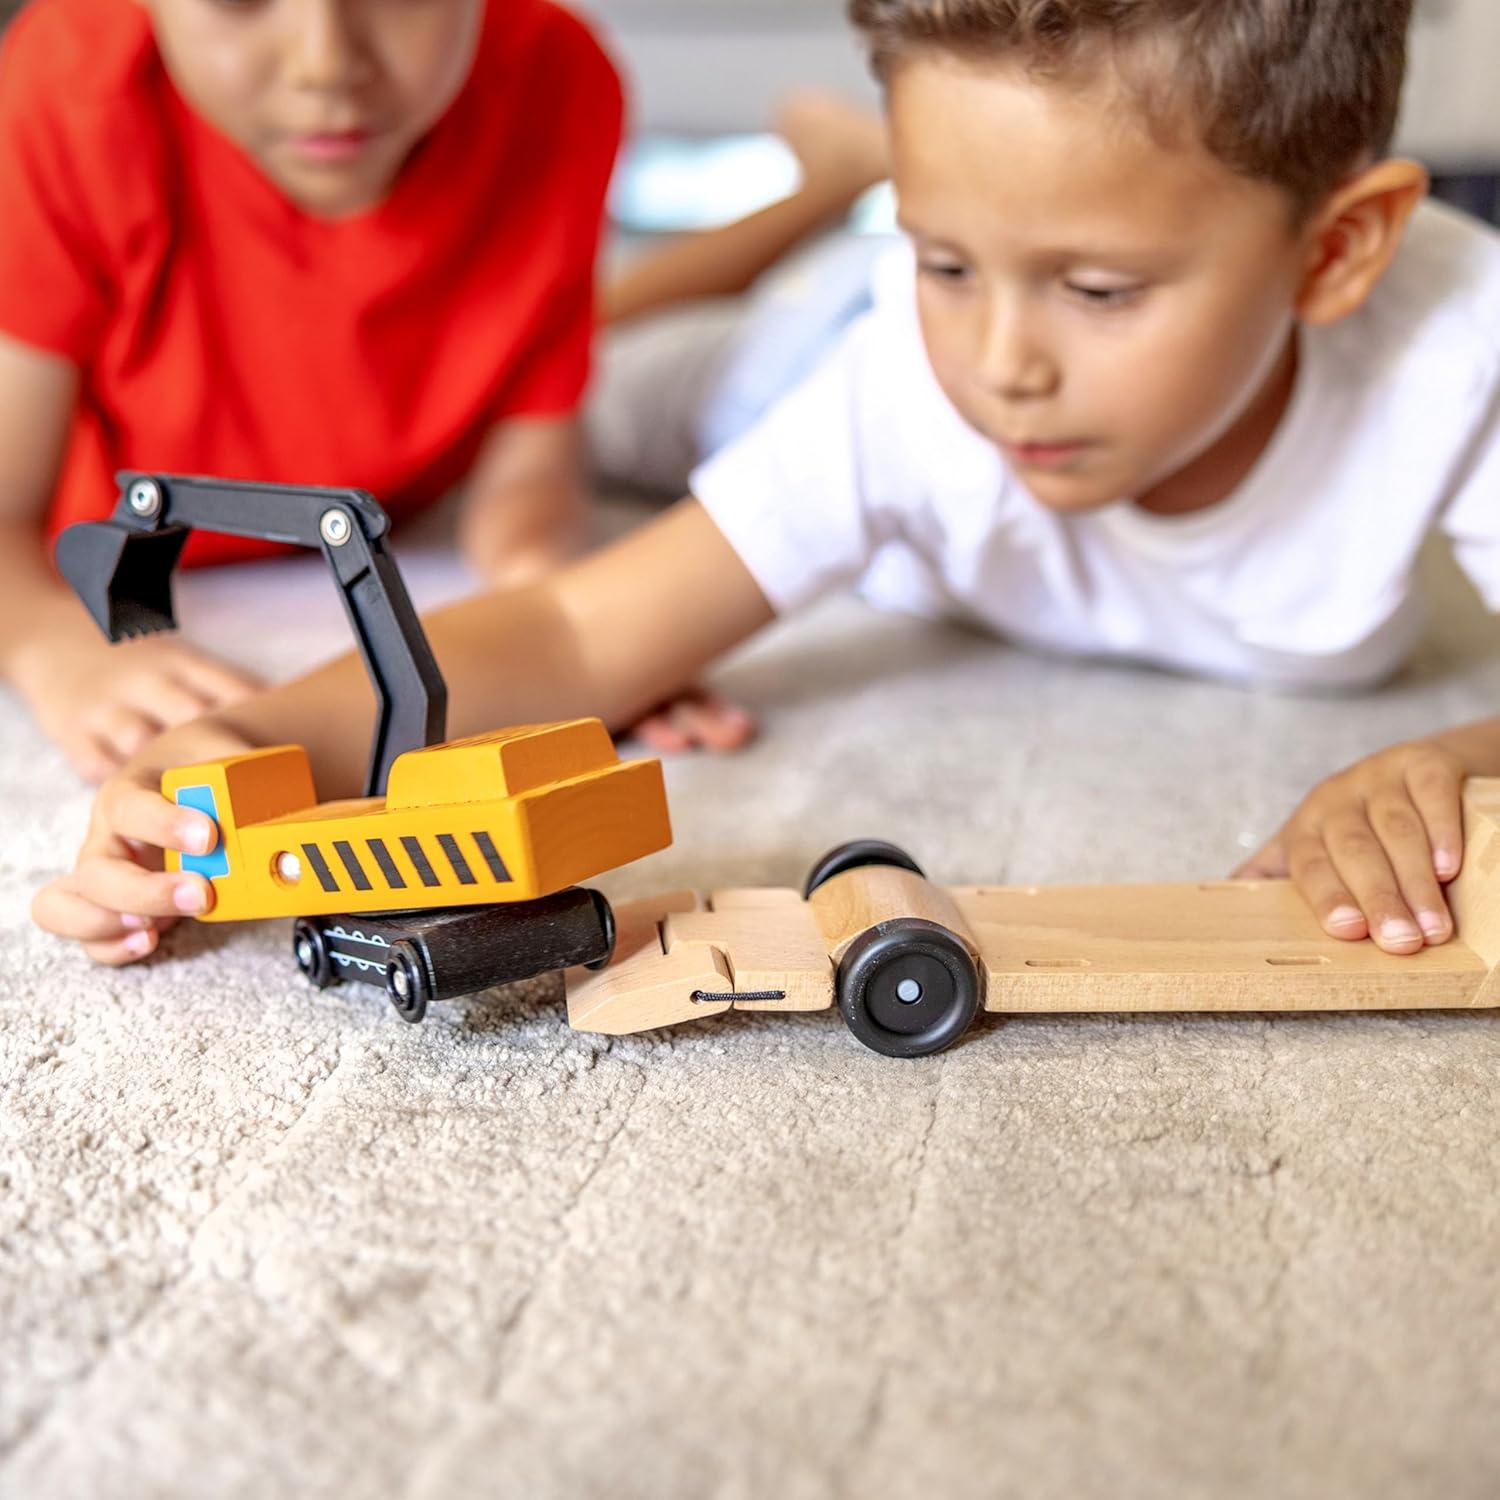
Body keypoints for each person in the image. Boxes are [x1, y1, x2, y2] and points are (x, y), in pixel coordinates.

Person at [34, 0, 1500, 970]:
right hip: (772, 365)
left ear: (1335, 253)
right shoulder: (896, 382)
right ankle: (822, 190)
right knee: (603, 373)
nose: (999, 364)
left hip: (828, 337)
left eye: (1101, 289)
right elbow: (569, 636)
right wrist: (240, 743)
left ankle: (827, 198)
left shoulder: (1460, 348)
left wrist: (1455, 761)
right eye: (941, 257)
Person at [0, 0, 621, 783]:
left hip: (389, 498)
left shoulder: (558, 74)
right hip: (117, 538)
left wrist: (605, 628)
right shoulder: (67, 79)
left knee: (656, 304)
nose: (326, 65)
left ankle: (824, 178)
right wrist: (49, 647)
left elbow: (530, 487)